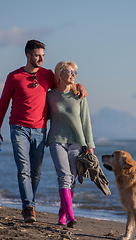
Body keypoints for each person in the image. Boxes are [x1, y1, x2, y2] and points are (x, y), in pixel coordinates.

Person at [0, 40, 86, 223]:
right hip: (18, 128)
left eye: (43, 55)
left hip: (40, 130)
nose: (41, 58)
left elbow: (65, 83)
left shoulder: (47, 75)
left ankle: (29, 204)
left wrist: (80, 86)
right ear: (28, 55)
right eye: (37, 55)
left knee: (36, 173)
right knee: (23, 169)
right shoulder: (14, 77)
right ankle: (29, 207)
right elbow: (3, 103)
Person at [45, 61, 95, 228]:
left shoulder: (79, 95)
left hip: (76, 142)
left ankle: (62, 216)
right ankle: (71, 217)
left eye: (75, 72)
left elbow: (86, 121)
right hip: (56, 140)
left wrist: (90, 145)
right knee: (64, 177)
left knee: (71, 179)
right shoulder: (50, 95)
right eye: (69, 71)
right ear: (59, 74)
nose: (73, 75)